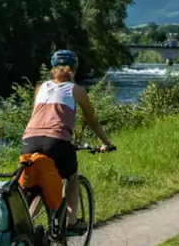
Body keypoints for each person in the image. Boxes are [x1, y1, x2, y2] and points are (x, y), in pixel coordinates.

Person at [22, 49, 114, 234]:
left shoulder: (40, 88)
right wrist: (107, 142)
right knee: (71, 176)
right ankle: (71, 222)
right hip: (56, 141)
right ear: (74, 70)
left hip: (29, 140)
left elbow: (34, 116)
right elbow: (91, 120)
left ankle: (27, 227)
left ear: (52, 69)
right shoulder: (77, 90)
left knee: (39, 182)